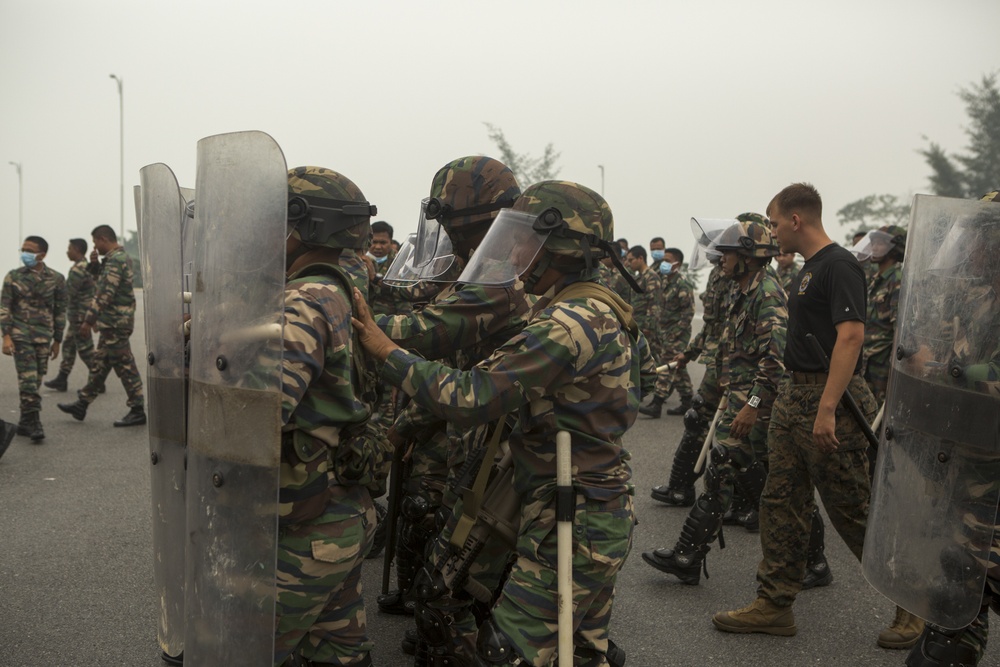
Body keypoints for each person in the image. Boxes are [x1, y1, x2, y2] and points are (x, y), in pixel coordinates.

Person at [353, 180, 655, 666]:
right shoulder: (599, 305)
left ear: (561, 246)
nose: (514, 253)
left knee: (508, 652)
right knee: (579, 652)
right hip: (592, 504)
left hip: (572, 516)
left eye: (524, 241)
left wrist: (386, 352)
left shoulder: (566, 323)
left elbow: (473, 396)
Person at [712, 183, 879, 638]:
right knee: (781, 500)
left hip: (829, 403)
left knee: (852, 508)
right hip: (794, 396)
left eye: (773, 221)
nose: (771, 231)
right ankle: (774, 603)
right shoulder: (807, 270)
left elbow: (851, 338)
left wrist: (826, 409)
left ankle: (913, 606)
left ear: (796, 220)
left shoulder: (839, 264)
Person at [269, 165, 383, 667]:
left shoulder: (302, 301)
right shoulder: (335, 287)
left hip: (307, 531)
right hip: (339, 512)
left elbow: (261, 409)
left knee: (239, 648)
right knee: (338, 652)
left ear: (302, 226)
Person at [643, 216, 786, 584]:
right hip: (736, 388)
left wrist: (752, 405)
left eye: (728, 253)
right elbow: (721, 336)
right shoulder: (744, 288)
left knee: (740, 470)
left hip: (752, 398)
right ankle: (689, 556)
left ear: (749, 256)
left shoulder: (766, 292)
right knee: (742, 471)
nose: (721, 259)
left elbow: (775, 357)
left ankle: (688, 556)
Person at [57, 225, 146, 427]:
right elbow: (104, 283)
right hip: (112, 322)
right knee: (100, 364)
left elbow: (106, 292)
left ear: (104, 239)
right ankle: (82, 403)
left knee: (125, 365)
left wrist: (89, 320)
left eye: (96, 242)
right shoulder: (115, 259)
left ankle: (137, 409)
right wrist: (96, 267)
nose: (95, 246)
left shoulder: (116, 260)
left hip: (116, 322)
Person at [1, 235, 66, 442]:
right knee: (28, 378)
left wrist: (57, 340)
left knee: (35, 378)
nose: (24, 254)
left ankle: (24, 420)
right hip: (21, 335)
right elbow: (4, 308)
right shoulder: (13, 277)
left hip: (43, 336)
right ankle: (34, 421)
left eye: (29, 250)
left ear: (42, 254)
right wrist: (6, 336)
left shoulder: (56, 278)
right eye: (23, 249)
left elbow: (59, 311)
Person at [852, 225, 906, 404]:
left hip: (883, 365)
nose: (874, 247)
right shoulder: (876, 279)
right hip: (868, 361)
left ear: (894, 248)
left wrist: (895, 369)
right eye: (873, 242)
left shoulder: (897, 279)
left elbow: (899, 328)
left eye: (880, 244)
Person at [640, 247, 695, 418]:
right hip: (664, 332)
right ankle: (687, 400)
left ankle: (656, 404)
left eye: (668, 261)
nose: (664, 263)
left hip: (678, 333)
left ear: (677, 264)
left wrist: (675, 333)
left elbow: (688, 313)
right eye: (663, 260)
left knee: (665, 365)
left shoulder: (682, 284)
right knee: (677, 365)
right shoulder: (664, 282)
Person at [44, 238, 95, 392]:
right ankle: (62, 378)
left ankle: (97, 380)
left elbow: (68, 294)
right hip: (78, 316)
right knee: (68, 346)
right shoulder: (85, 266)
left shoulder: (78, 270)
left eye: (69, 248)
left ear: (77, 250)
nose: (67, 251)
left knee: (86, 350)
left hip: (80, 317)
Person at [624, 245, 662, 369]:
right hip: (638, 326)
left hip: (647, 330)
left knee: (651, 363)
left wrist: (648, 329)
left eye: (631, 260)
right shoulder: (638, 277)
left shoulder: (651, 277)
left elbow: (654, 305)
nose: (629, 263)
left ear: (640, 258)